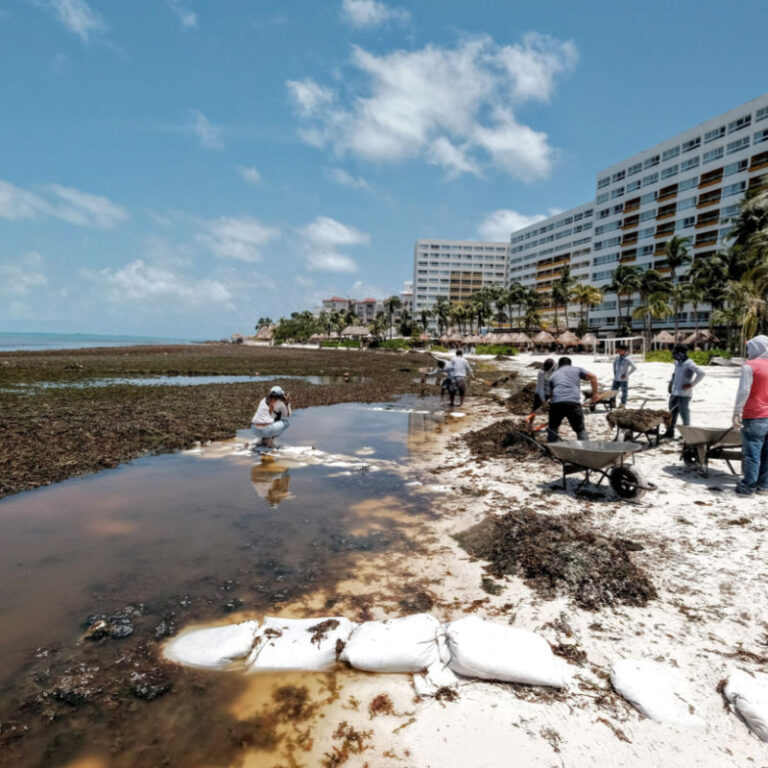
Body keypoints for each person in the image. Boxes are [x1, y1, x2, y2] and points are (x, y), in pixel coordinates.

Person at [733, 335, 768, 495]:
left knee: (752, 453)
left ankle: (748, 486)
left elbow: (744, 390)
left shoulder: (749, 366)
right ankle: (763, 486)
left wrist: (737, 411)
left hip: (754, 415)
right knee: (767, 453)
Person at [546, 357, 598, 442]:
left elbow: (551, 395)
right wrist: (595, 394)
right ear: (570, 364)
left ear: (559, 365)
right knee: (580, 429)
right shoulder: (577, 369)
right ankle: (585, 449)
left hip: (556, 403)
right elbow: (593, 377)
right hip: (573, 403)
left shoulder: (553, 375)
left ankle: (551, 449)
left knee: (553, 428)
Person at [662, 344, 705, 439]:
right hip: (674, 392)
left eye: (676, 353)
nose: (675, 355)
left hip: (684, 394)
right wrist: (670, 384)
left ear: (682, 353)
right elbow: (675, 374)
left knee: (684, 413)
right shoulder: (677, 362)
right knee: (671, 413)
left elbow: (701, 373)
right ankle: (669, 432)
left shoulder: (689, 363)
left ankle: (687, 434)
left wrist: (692, 384)